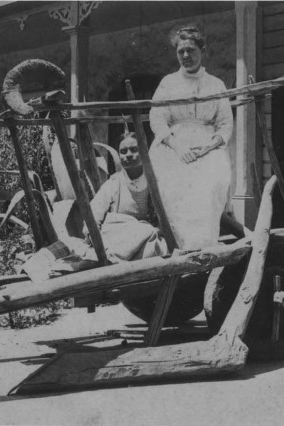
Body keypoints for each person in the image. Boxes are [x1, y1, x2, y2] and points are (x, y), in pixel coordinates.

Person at [149, 24, 233, 250]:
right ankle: (180, 248)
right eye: (181, 51)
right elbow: (156, 117)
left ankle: (204, 249)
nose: (186, 56)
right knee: (174, 185)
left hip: (207, 147)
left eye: (191, 50)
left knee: (211, 181)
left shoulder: (216, 84)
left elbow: (225, 125)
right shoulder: (168, 83)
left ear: (202, 51)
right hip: (173, 144)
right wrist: (177, 147)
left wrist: (208, 148)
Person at [84, 132, 167, 262]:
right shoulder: (114, 183)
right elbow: (94, 213)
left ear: (144, 151)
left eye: (134, 150)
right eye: (123, 151)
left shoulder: (155, 182)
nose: (128, 154)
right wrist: (95, 239)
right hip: (116, 238)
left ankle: (117, 260)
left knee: (155, 247)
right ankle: (111, 257)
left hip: (145, 242)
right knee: (145, 230)